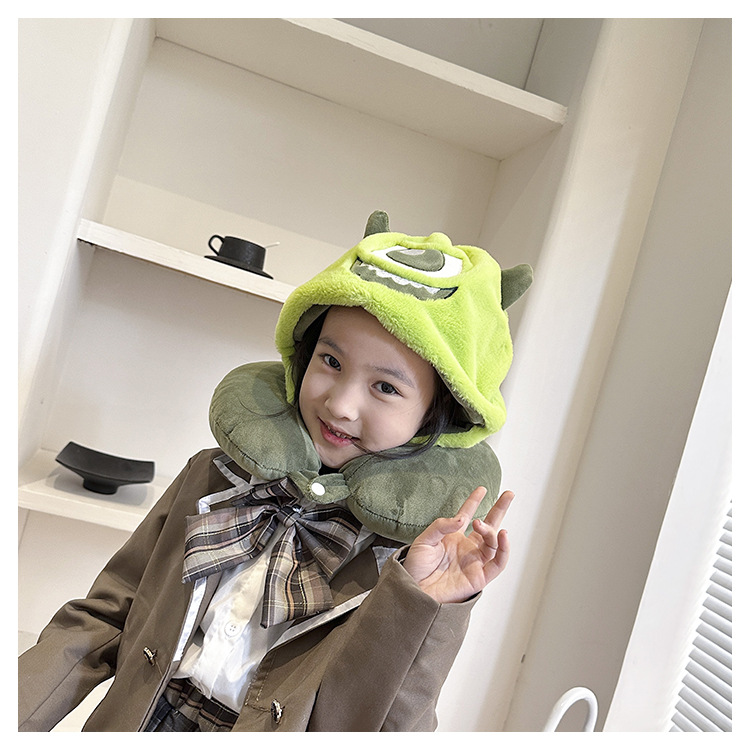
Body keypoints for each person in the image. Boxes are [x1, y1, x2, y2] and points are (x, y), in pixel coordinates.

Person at [18, 211, 532, 732]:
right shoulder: (214, 474)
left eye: (385, 387)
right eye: (331, 362)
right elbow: (104, 617)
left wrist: (427, 605)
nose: (340, 405)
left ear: (437, 417)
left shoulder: (409, 561)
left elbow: (390, 725)